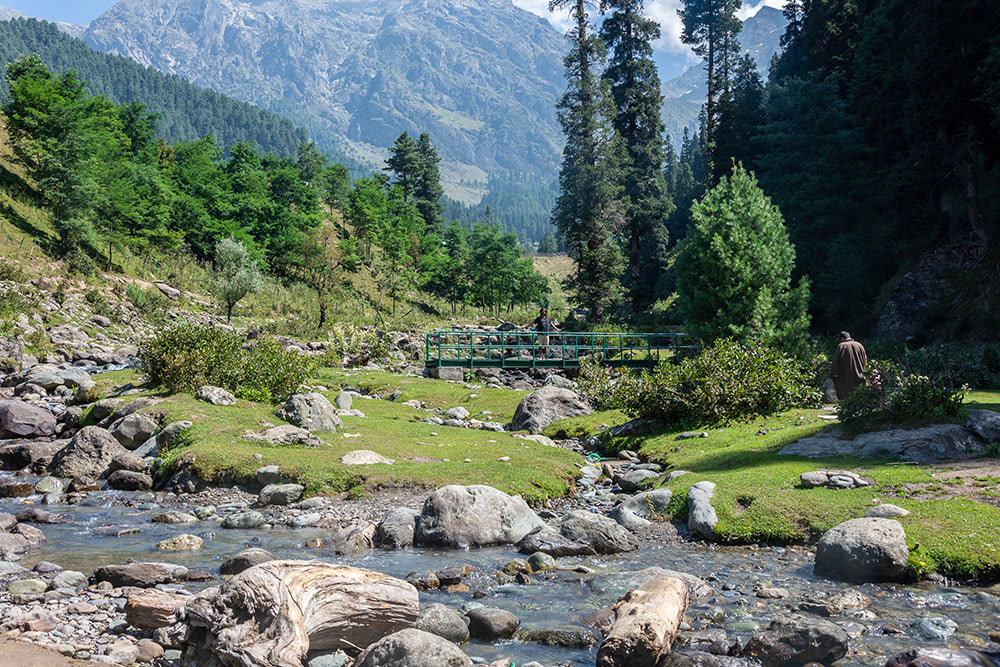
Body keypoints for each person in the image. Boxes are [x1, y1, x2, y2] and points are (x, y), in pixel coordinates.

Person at [832, 331, 867, 400]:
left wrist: (834, 373)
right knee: (858, 393)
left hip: (845, 376)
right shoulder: (859, 345)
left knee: (845, 392)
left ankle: (846, 406)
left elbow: (836, 361)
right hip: (859, 374)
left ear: (842, 338)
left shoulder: (842, 346)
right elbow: (864, 360)